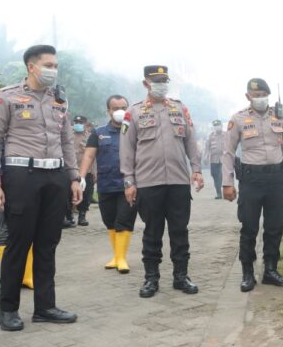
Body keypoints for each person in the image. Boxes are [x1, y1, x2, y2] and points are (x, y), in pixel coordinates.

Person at [0, 44, 82, 331]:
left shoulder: (59, 100)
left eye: (55, 66)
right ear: (31, 66)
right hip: (21, 176)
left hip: (55, 177)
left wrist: (74, 177)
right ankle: (8, 309)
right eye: (48, 65)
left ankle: (45, 307)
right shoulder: (7, 97)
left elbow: (67, 142)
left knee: (48, 244)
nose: (53, 70)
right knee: (18, 243)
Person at [120, 65, 204, 298]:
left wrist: (196, 169)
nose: (161, 85)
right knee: (152, 232)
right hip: (148, 183)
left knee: (180, 232)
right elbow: (126, 149)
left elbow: (191, 141)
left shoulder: (180, 108)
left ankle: (181, 276)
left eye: (164, 81)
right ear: (146, 83)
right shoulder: (133, 112)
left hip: (178, 181)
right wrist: (129, 181)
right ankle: (151, 278)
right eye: (156, 81)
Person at [222, 78, 283, 292]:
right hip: (251, 180)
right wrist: (227, 183)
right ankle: (247, 273)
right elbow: (228, 152)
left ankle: (270, 270)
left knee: (275, 226)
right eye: (256, 95)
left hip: (275, 180)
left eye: (263, 95)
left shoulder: (279, 117)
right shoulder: (238, 119)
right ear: (248, 97)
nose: (260, 99)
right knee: (249, 226)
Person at [78, 95, 138, 274]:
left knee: (124, 220)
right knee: (109, 221)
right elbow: (89, 155)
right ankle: (116, 256)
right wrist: (81, 177)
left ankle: (122, 258)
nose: (120, 111)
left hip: (128, 185)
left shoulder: (135, 131)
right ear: (108, 111)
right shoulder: (98, 133)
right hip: (106, 184)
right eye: (115, 108)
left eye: (123, 107)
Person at [65, 115, 95, 227]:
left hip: (86, 170)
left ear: (86, 124)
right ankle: (69, 216)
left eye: (81, 122)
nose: (78, 124)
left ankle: (82, 216)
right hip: (71, 170)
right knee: (68, 194)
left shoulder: (91, 136)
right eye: (76, 122)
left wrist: (95, 172)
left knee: (86, 194)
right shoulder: (67, 134)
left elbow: (94, 156)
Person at [204, 119, 225, 199]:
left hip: (224, 159)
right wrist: (206, 157)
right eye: (215, 126)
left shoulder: (226, 135)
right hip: (214, 159)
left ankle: (220, 193)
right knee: (214, 175)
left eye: (218, 125)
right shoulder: (211, 136)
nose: (217, 127)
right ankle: (218, 191)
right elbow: (207, 148)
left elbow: (231, 146)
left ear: (221, 126)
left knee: (220, 175)